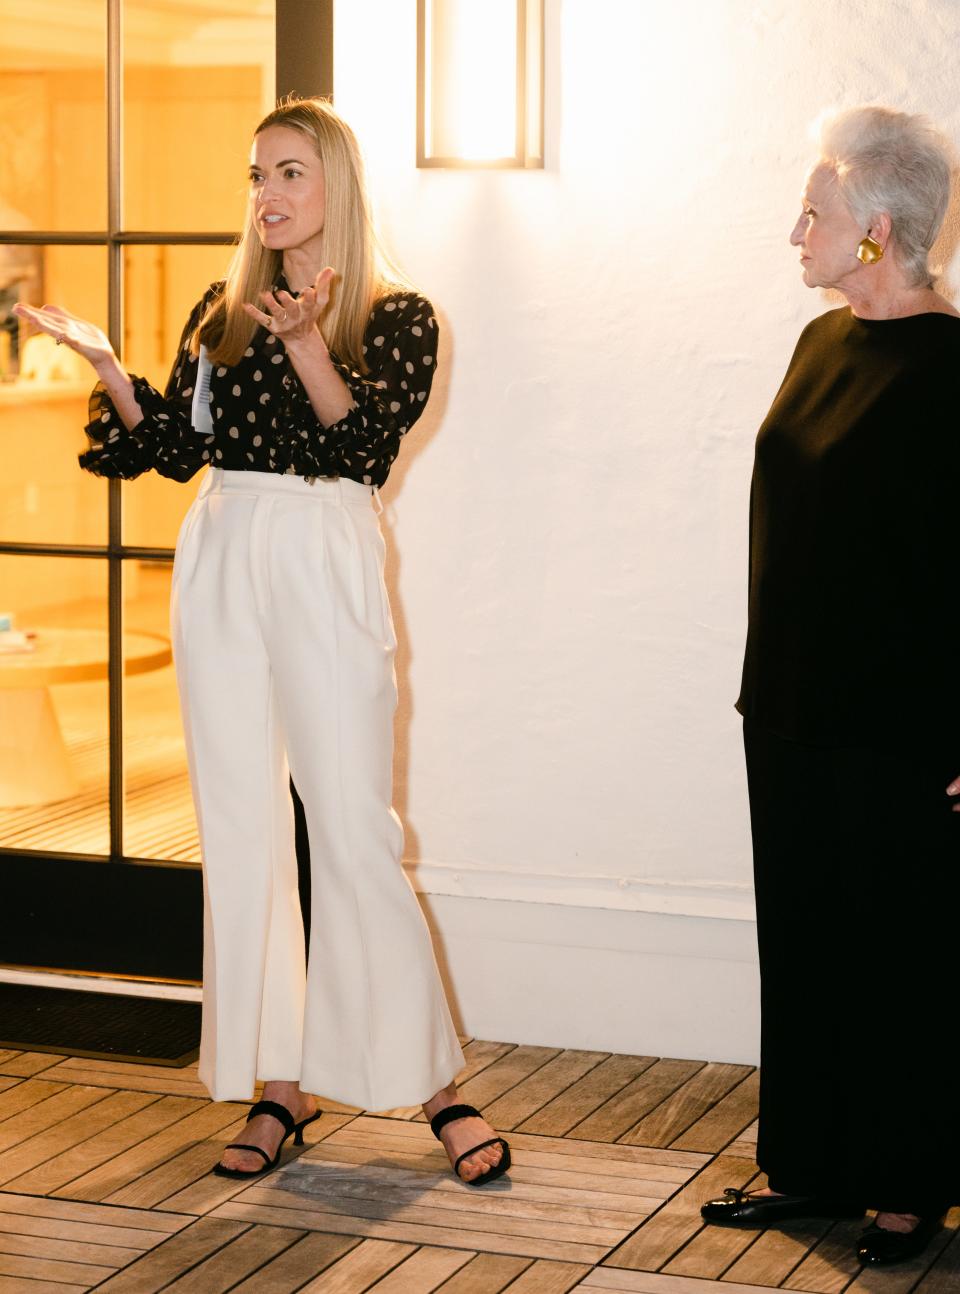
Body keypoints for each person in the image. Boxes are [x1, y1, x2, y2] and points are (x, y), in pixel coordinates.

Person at [15, 96, 510, 1188]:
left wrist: (307, 347)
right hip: (225, 549)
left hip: (320, 546)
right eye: (256, 175)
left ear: (334, 181)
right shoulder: (224, 308)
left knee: (350, 825)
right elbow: (182, 446)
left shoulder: (399, 313)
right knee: (240, 825)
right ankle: (274, 1085)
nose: (268, 194)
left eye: (289, 171)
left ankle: (436, 1086)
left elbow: (368, 447)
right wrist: (106, 368)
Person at [698, 105, 960, 1265]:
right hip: (791, 706)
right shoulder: (820, 343)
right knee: (805, 941)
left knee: (899, 952)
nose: (793, 230)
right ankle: (816, 1162)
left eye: (816, 212)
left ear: (877, 232)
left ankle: (905, 1184)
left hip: (899, 725)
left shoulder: (955, 372)